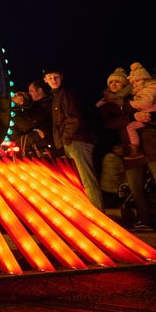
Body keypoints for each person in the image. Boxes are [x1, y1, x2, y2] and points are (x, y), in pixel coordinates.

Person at [43, 67, 102, 209]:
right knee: (79, 181)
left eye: (56, 77)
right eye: (50, 78)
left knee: (87, 180)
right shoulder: (56, 96)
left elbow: (73, 118)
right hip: (70, 141)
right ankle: (89, 213)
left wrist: (66, 139)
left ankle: (99, 216)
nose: (53, 80)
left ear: (61, 77)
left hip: (77, 140)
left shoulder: (66, 94)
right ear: (45, 80)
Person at [123, 62, 156, 161]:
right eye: (133, 82)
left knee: (130, 127)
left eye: (137, 80)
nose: (135, 84)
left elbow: (145, 102)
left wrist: (131, 104)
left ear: (145, 78)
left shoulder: (149, 89)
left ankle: (135, 149)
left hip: (150, 113)